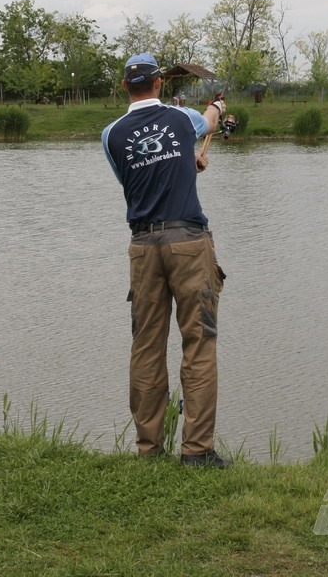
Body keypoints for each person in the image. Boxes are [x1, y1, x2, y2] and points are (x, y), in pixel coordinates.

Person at [102, 52, 231, 468]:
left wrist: (185, 167)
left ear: (125, 86)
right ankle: (196, 452)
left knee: (146, 347)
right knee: (199, 344)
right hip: (189, 244)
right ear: (159, 84)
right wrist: (217, 107)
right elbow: (209, 122)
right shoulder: (182, 119)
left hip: (143, 247)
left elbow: (136, 181)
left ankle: (148, 450)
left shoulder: (110, 135)